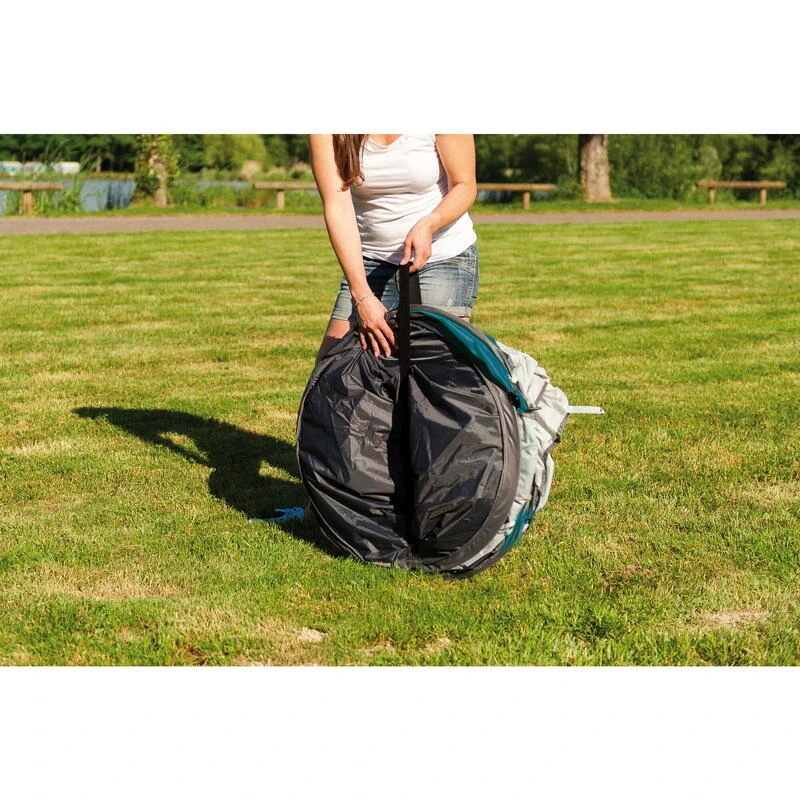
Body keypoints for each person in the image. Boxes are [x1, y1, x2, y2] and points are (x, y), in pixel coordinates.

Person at [308, 134, 479, 360]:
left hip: (442, 253)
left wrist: (430, 223)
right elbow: (337, 207)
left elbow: (464, 185)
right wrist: (362, 296)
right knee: (333, 367)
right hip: (369, 260)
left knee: (437, 366)